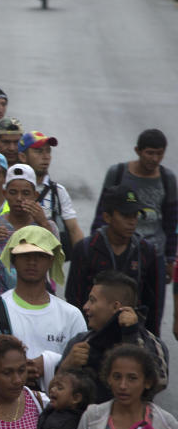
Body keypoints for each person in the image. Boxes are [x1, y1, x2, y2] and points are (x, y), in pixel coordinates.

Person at [0, 227, 87, 387]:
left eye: (40, 256)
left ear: (51, 261)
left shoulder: (71, 316)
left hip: (54, 409)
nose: (32, 261)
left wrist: (48, 364)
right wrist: (12, 371)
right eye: (25, 255)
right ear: (13, 259)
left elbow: (84, 370)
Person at [59, 270, 169, 403]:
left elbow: (159, 382)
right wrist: (68, 364)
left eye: (92, 301)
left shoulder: (151, 342)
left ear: (116, 307)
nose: (85, 307)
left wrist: (131, 335)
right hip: (86, 422)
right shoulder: (80, 342)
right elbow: (56, 389)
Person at [67, 186, 165, 334]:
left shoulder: (147, 251)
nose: (132, 221)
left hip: (132, 333)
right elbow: (74, 298)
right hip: (93, 333)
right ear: (107, 217)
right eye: (126, 215)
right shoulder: (86, 249)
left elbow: (154, 303)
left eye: (135, 215)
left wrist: (151, 338)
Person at [91, 128, 176, 288]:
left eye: (159, 153)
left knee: (151, 307)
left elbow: (171, 222)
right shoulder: (118, 173)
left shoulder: (167, 179)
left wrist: (170, 259)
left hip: (155, 255)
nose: (155, 158)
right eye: (150, 153)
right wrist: (95, 246)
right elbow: (102, 213)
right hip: (120, 251)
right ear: (138, 151)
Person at [0, 163, 61, 296]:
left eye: (26, 193)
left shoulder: (47, 226)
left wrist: (43, 224)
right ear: (4, 193)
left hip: (36, 301)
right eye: (13, 192)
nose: (19, 198)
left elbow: (57, 265)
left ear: (35, 195)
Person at [16, 130, 85, 256]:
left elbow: (74, 230)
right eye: (38, 151)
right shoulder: (9, 189)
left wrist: (83, 264)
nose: (46, 156)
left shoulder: (58, 192)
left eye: (48, 151)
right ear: (22, 157)